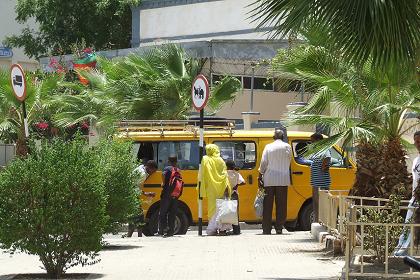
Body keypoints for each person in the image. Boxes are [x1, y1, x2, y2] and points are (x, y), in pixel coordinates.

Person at [258, 129, 292, 235]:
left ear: (274, 137)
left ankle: (266, 229)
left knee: (267, 205)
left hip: (269, 179)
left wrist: (260, 174)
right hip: (283, 179)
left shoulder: (268, 147)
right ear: (282, 137)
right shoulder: (288, 147)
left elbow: (264, 162)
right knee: (281, 205)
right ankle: (279, 227)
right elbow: (289, 160)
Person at [394, 131, 420, 256]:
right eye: (416, 141)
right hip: (415, 199)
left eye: (419, 141)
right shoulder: (416, 160)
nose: (417, 144)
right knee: (408, 224)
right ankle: (402, 249)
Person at [200, 144, 232, 236]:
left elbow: (202, 174)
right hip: (222, 187)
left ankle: (212, 229)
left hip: (211, 189)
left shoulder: (205, 159)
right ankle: (222, 230)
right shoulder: (221, 160)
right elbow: (224, 175)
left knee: (213, 208)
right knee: (222, 208)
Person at [128, 160, 158, 237]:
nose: (153, 173)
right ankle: (136, 235)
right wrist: (147, 194)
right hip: (132, 195)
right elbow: (134, 188)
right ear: (149, 168)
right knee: (138, 215)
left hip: (131, 194)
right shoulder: (142, 174)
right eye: (153, 171)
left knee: (135, 215)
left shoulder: (140, 168)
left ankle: (133, 235)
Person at [309, 133, 331, 223]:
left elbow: (328, 157)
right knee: (316, 204)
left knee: (321, 204)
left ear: (318, 140)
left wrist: (323, 166)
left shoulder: (324, 149)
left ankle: (322, 222)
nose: (311, 143)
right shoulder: (317, 151)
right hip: (316, 182)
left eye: (313, 141)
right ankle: (317, 222)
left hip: (321, 183)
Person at [158, 156, 180, 237]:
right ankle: (171, 231)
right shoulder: (178, 170)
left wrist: (163, 183)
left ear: (168, 161)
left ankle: (162, 230)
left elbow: (163, 174)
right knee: (172, 213)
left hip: (167, 193)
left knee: (163, 213)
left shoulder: (167, 168)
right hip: (175, 194)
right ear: (176, 161)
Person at [226, 160, 246, 235]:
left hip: (226, 194)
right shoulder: (236, 174)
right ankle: (236, 230)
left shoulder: (224, 173)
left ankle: (224, 229)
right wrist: (236, 186)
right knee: (235, 213)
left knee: (225, 211)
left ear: (226, 166)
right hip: (235, 194)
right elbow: (244, 182)